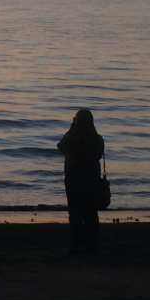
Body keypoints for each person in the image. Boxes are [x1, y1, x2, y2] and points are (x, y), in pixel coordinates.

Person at [56, 109, 104, 254]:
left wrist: (72, 127)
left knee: (75, 213)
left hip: (74, 179)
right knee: (91, 213)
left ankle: (75, 245)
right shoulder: (98, 139)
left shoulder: (73, 138)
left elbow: (61, 146)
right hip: (91, 179)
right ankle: (92, 245)